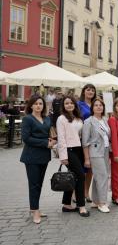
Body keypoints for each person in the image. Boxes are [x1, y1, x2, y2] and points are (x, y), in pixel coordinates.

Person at [20, 95, 55, 224]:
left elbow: (49, 134)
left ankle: (35, 208)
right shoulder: (27, 119)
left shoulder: (46, 119)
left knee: (39, 184)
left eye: (40, 103)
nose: (38, 106)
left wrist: (52, 141)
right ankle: (34, 211)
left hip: (44, 156)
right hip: (31, 156)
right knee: (34, 184)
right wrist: (45, 143)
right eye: (35, 104)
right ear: (31, 106)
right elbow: (26, 138)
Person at [56, 95, 89, 217]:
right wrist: (63, 156)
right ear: (63, 106)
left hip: (79, 149)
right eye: (66, 103)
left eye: (71, 103)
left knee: (73, 176)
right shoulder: (61, 119)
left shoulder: (78, 118)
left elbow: (80, 134)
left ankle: (66, 204)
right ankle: (81, 206)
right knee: (81, 176)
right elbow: (61, 138)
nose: (69, 105)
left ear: (74, 104)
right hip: (69, 150)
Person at [82, 98, 111, 213]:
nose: (99, 107)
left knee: (98, 177)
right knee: (103, 176)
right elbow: (85, 142)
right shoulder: (88, 121)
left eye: (100, 105)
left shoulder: (105, 119)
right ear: (92, 108)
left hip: (105, 151)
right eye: (96, 105)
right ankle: (102, 203)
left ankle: (95, 200)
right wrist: (87, 159)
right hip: (94, 152)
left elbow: (106, 136)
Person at [78, 84, 97, 203]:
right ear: (84, 92)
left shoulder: (96, 104)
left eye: (92, 90)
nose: (90, 92)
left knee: (90, 168)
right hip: (81, 138)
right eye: (88, 90)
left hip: (94, 139)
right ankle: (76, 193)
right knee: (80, 168)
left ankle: (86, 192)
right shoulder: (79, 104)